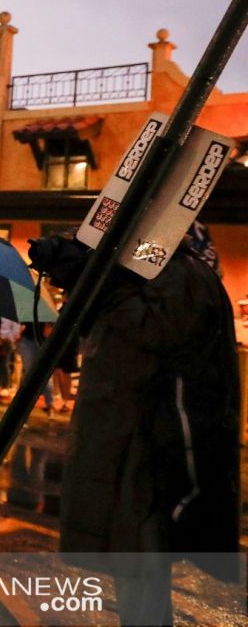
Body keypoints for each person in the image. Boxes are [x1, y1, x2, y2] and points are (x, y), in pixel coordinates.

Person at [47, 236, 241, 625]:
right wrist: (82, 284)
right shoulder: (142, 273)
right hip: (124, 443)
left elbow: (155, 330)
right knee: (133, 567)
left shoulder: (179, 273)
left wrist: (100, 285)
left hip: (149, 449)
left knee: (142, 563)